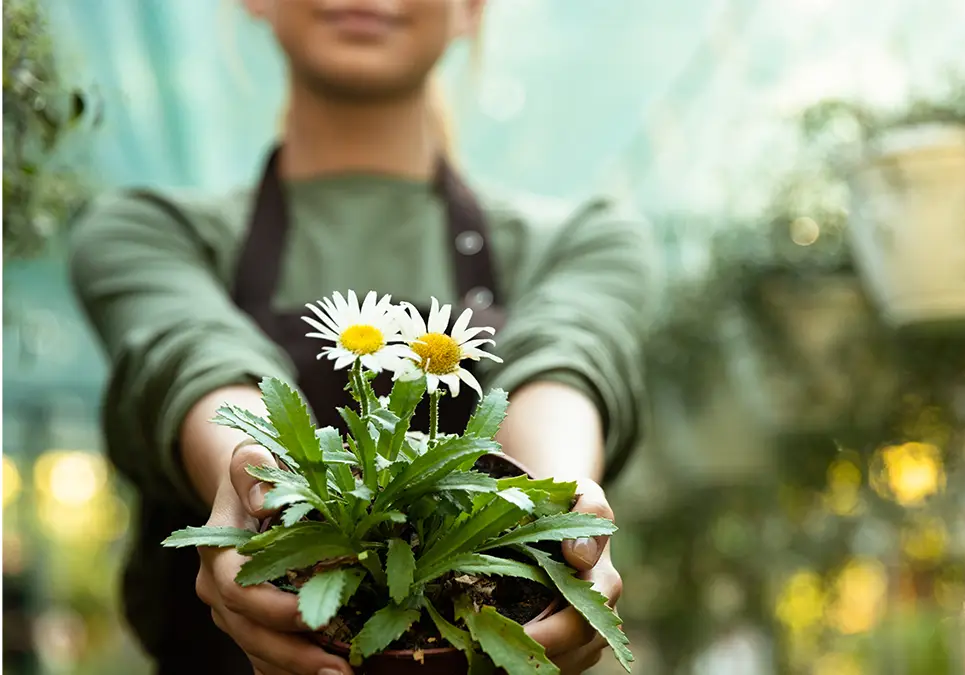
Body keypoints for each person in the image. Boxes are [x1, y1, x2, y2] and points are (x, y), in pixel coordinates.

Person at [67, 1, 658, 674]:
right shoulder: (144, 231)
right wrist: (262, 484)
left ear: (471, 9)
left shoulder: (589, 240)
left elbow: (565, 359)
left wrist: (552, 509)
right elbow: (190, 357)